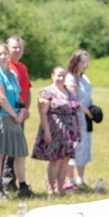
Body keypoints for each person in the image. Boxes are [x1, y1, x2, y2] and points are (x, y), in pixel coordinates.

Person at [0, 43, 32, 199]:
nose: (3, 56)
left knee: (20, 154)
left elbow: (18, 95)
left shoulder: (11, 73)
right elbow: (1, 97)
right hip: (2, 118)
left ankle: (23, 186)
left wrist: (23, 110)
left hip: (15, 118)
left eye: (5, 53)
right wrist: (15, 115)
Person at [31, 66, 81, 195]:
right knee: (55, 159)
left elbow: (76, 109)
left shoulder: (68, 92)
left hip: (69, 130)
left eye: (63, 76)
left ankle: (60, 187)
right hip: (54, 129)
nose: (60, 78)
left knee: (65, 159)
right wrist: (46, 131)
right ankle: (51, 188)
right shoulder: (46, 91)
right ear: (52, 76)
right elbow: (42, 113)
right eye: (58, 75)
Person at [65, 50, 94, 190]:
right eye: (83, 62)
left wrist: (93, 109)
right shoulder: (70, 78)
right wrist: (87, 111)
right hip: (74, 117)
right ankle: (70, 180)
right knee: (74, 147)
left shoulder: (84, 78)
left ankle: (80, 179)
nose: (85, 65)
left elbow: (88, 97)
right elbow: (73, 100)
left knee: (84, 147)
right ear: (75, 62)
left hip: (85, 116)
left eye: (86, 62)